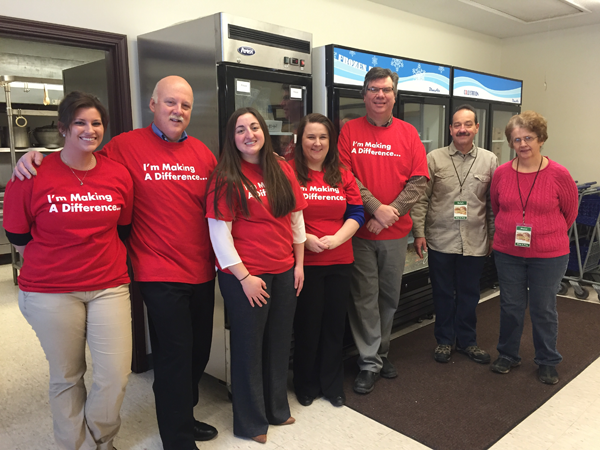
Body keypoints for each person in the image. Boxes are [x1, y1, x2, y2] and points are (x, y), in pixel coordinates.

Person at [13, 76, 218, 450]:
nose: (178, 111)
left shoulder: (203, 153)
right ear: (153, 105)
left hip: (202, 268)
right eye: (170, 102)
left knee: (197, 354)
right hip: (157, 269)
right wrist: (35, 156)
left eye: (185, 105)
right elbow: (80, 158)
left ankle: (184, 417)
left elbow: (224, 195)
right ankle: (177, 437)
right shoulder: (124, 147)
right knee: (174, 354)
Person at [3, 91, 133, 450]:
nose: (89, 130)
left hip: (108, 285)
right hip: (50, 290)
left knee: (115, 375)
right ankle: (73, 445)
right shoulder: (31, 173)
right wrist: (57, 259)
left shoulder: (118, 174)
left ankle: (100, 439)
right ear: (62, 128)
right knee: (67, 376)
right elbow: (17, 236)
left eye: (96, 123)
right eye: (80, 122)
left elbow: (122, 228)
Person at [205, 107, 307, 444]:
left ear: (264, 131)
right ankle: (250, 422)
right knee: (248, 347)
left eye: (254, 127)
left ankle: (276, 408)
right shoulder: (225, 177)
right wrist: (244, 278)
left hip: (284, 269)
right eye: (240, 130)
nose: (249, 135)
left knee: (279, 341)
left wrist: (299, 264)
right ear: (232, 138)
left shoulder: (281, 168)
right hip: (245, 274)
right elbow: (219, 235)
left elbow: (296, 219)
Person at [338, 67, 429, 394]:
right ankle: (369, 362)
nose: (380, 95)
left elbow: (418, 181)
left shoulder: (409, 133)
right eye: (374, 89)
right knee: (364, 298)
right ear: (364, 94)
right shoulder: (349, 130)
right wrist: (376, 208)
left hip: (395, 234)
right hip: (359, 233)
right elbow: (345, 176)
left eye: (386, 90)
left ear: (394, 95)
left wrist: (388, 216)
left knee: (388, 297)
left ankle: (380, 352)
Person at [490, 110, 578, 385]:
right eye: (517, 139)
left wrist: (545, 234)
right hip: (508, 252)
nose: (523, 144)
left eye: (528, 138)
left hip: (548, 255)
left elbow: (570, 213)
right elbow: (497, 207)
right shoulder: (502, 173)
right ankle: (508, 354)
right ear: (511, 143)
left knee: (543, 308)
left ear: (541, 139)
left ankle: (547, 360)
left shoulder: (559, 174)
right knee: (511, 306)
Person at [411, 105, 498, 364]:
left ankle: (468, 342)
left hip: (475, 240)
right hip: (441, 239)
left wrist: (493, 236)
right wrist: (419, 233)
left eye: (468, 124)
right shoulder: (434, 158)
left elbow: (493, 204)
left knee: (470, 294)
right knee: (442, 293)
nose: (462, 129)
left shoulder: (490, 160)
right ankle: (444, 341)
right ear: (450, 129)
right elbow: (420, 199)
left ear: (476, 128)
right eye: (457, 125)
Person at [290, 113, 365, 408]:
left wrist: (337, 239)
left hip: (340, 260)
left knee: (334, 325)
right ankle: (305, 384)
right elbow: (280, 213)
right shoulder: (288, 171)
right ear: (300, 140)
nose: (317, 143)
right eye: (311, 137)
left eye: (323, 137)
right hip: (304, 263)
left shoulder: (342, 173)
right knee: (307, 325)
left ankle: (332, 384)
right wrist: (306, 238)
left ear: (331, 141)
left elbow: (356, 213)